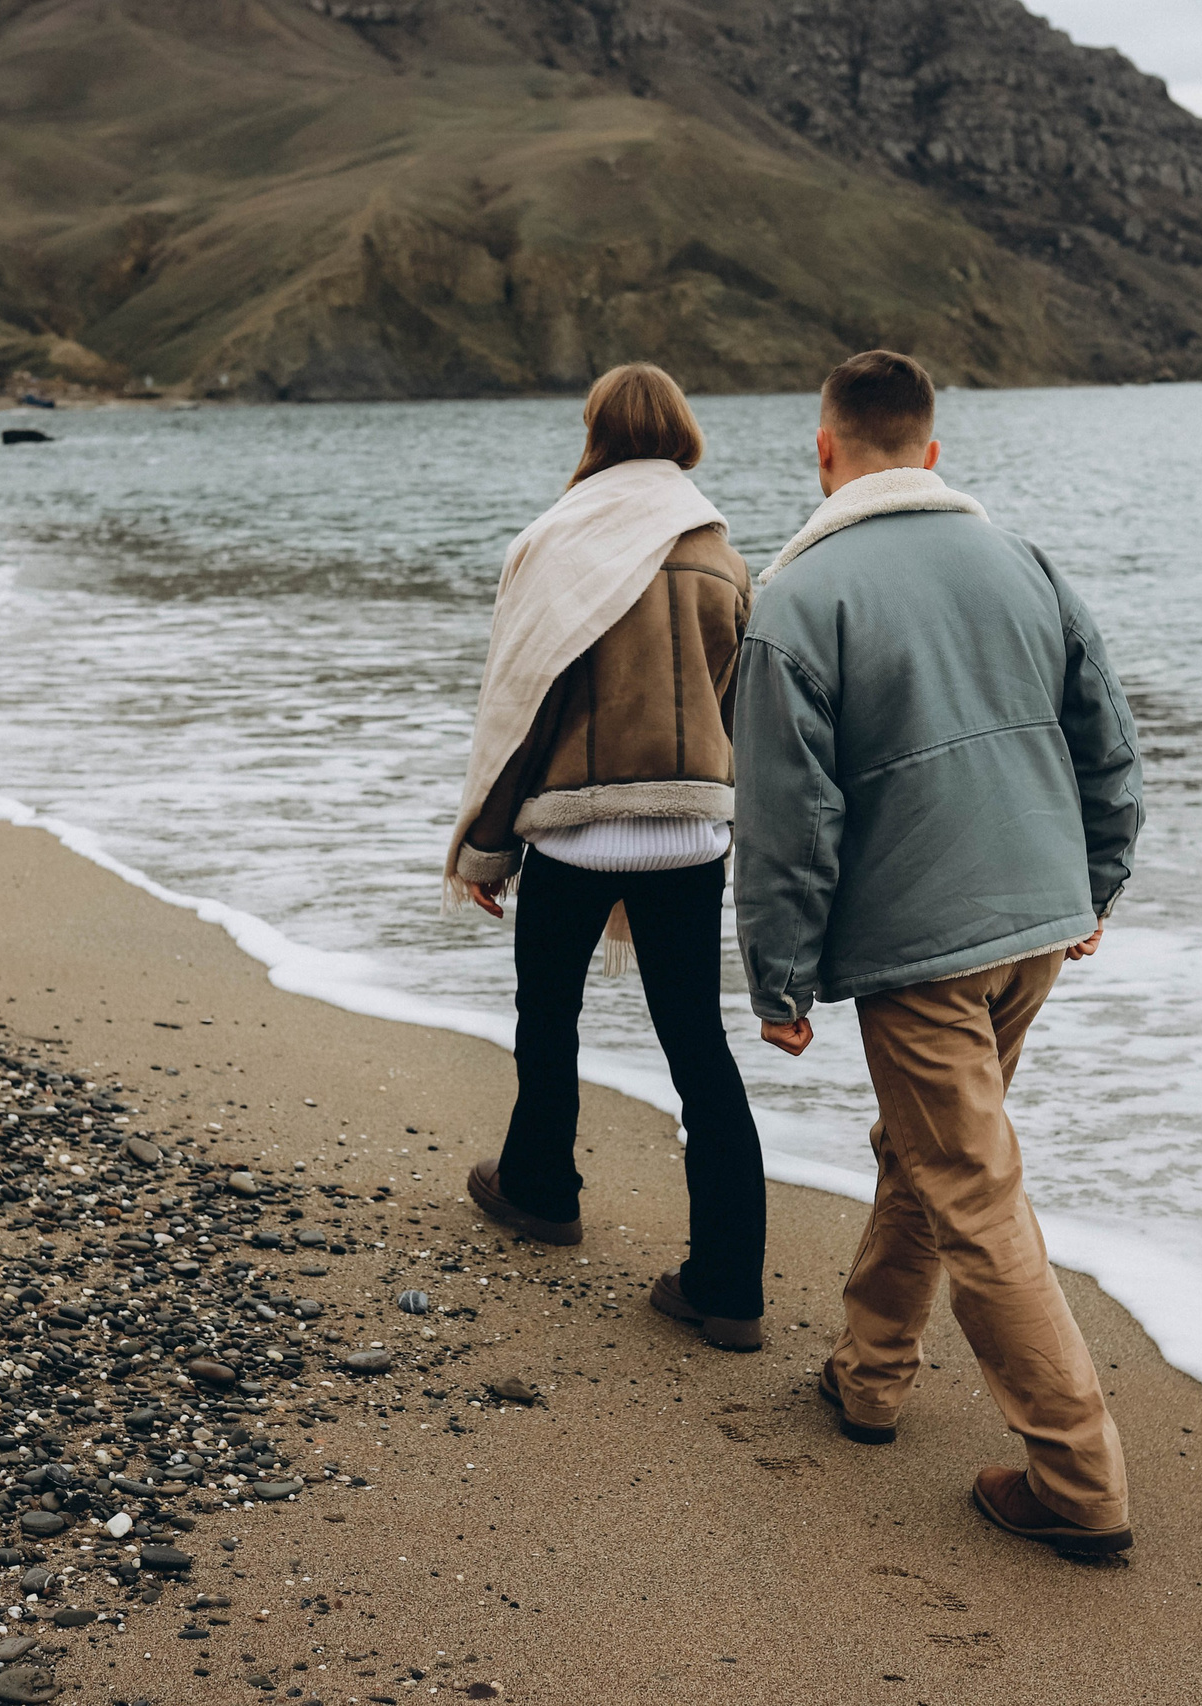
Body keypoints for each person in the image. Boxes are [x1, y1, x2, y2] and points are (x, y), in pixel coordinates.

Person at [731, 350, 1145, 1554]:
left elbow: (785, 818)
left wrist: (779, 975)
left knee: (970, 1185)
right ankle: (868, 1374)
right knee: (927, 1147)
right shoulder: (1023, 561)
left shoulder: (796, 601)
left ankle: (1079, 1485)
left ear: (823, 450)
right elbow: (1108, 743)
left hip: (922, 943)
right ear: (931, 450)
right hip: (1037, 923)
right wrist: (1096, 884)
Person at [446, 362, 769, 1353]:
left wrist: (485, 848)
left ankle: (542, 1191)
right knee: (698, 1049)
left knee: (547, 1013)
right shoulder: (722, 554)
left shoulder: (553, 543)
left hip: (577, 833)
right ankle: (728, 1288)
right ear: (681, 434)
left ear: (594, 434)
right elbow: (740, 716)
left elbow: (518, 710)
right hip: (690, 834)